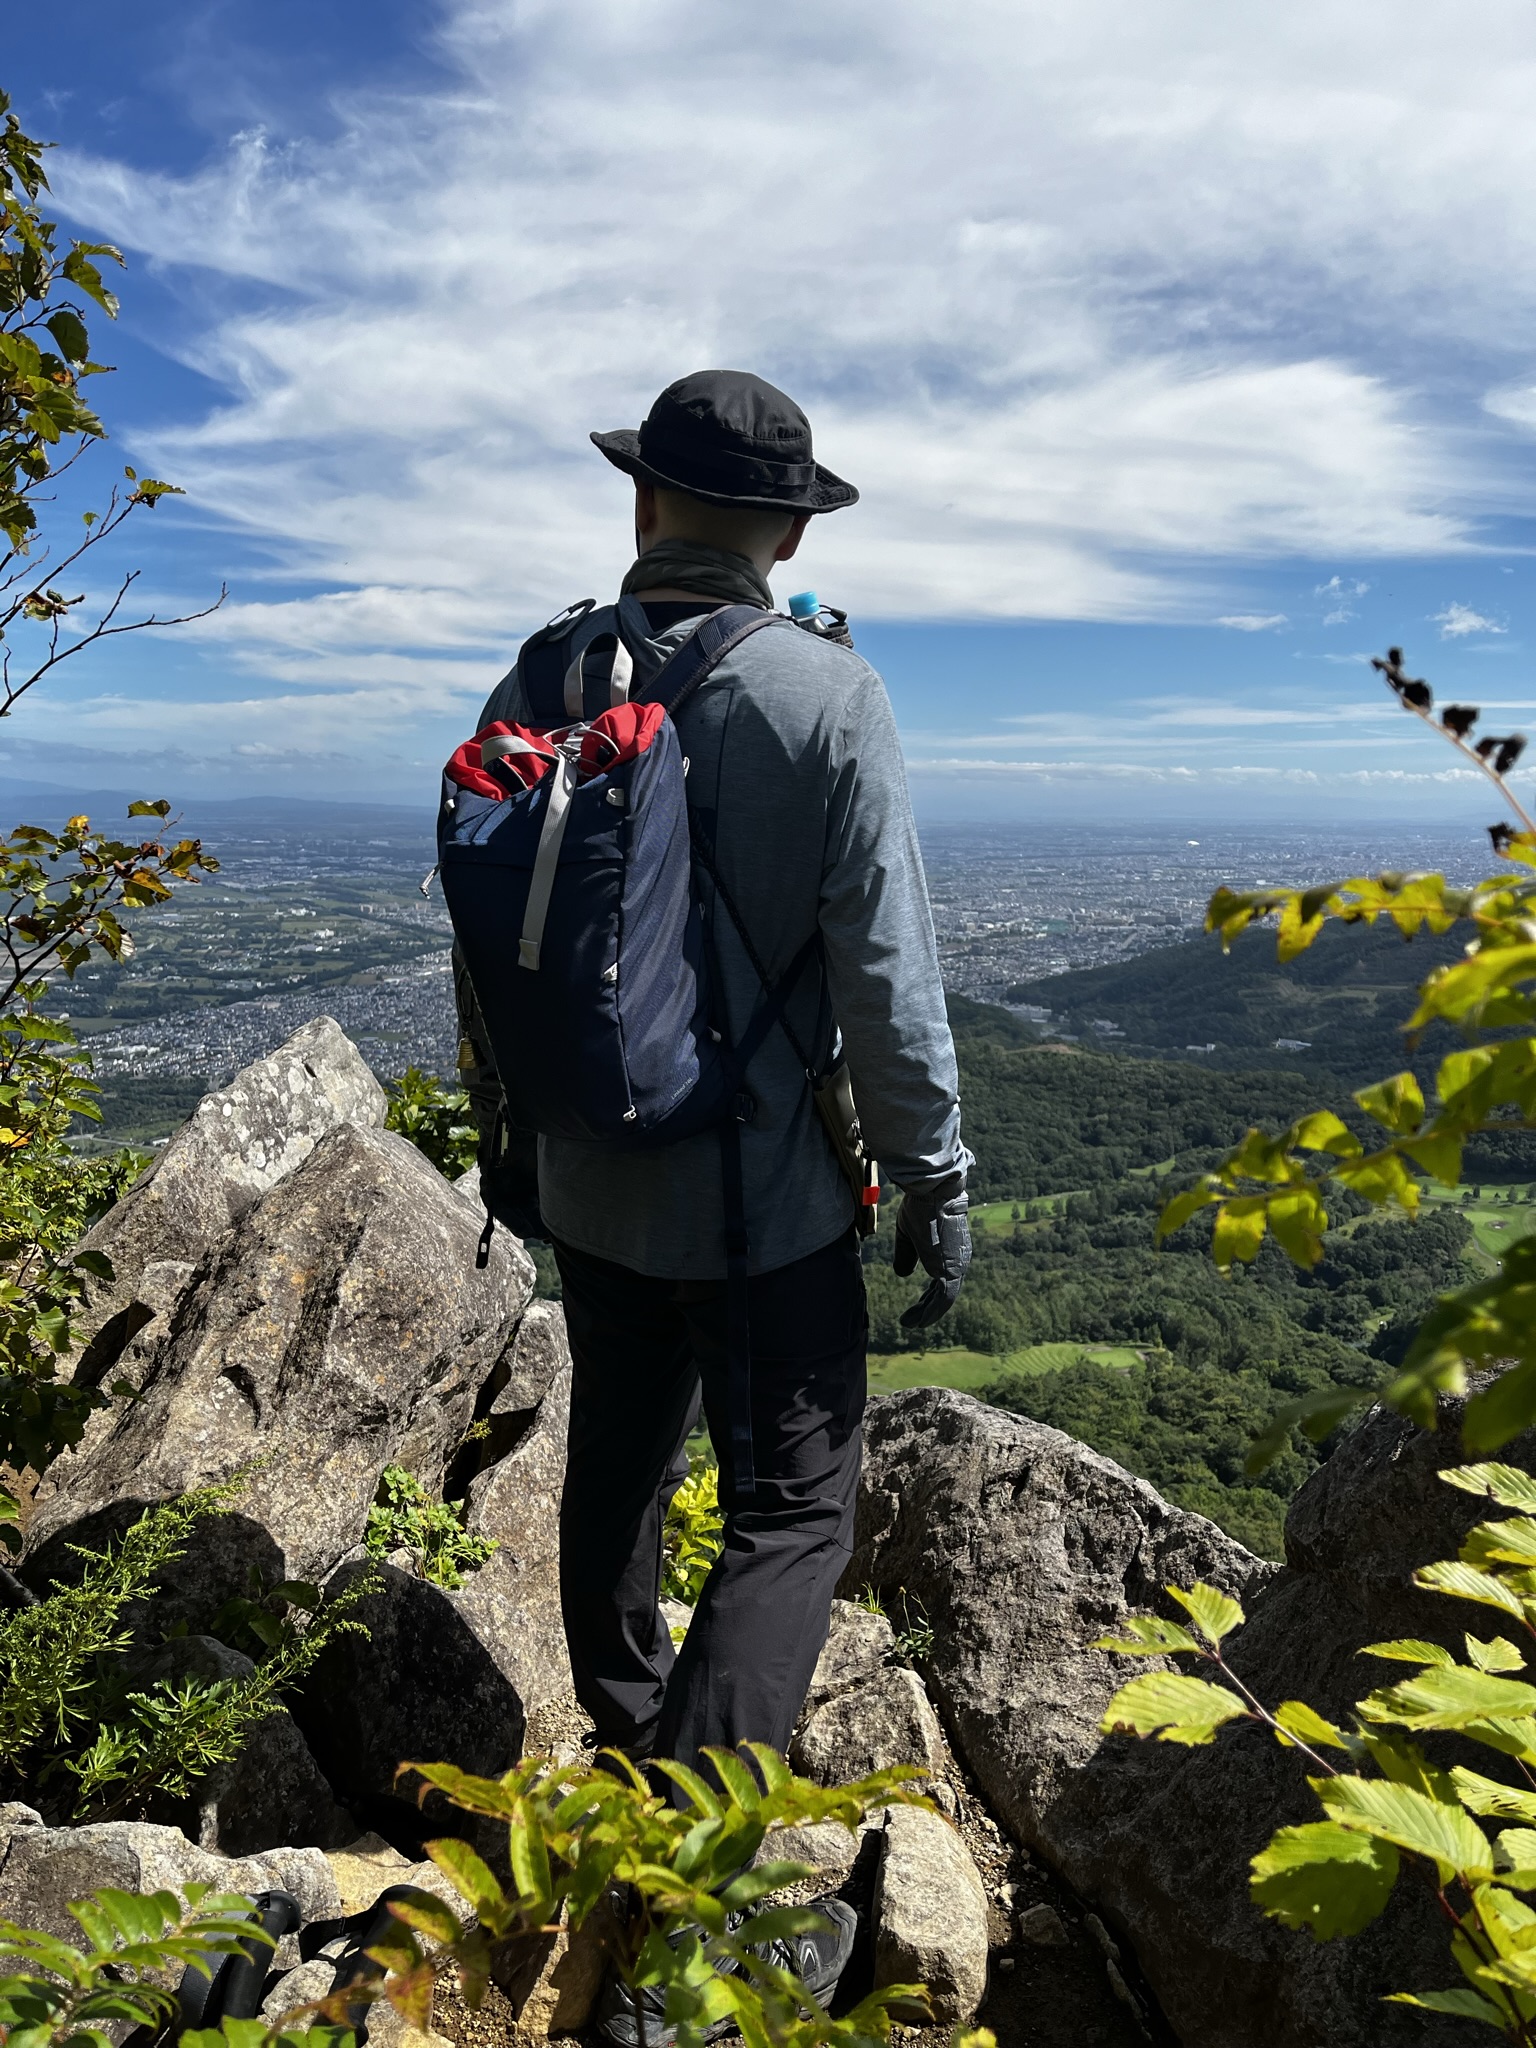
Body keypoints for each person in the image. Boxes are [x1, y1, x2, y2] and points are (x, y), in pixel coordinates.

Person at [454, 370, 970, 2038]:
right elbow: (888, 978)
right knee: (795, 1514)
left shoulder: (540, 671)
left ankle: (624, 1734)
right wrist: (935, 1172)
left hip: (586, 1176)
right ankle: (690, 1924)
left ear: (641, 505)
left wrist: (509, 1142)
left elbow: (491, 939)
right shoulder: (829, 697)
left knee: (620, 1434)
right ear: (795, 527)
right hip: (763, 1200)